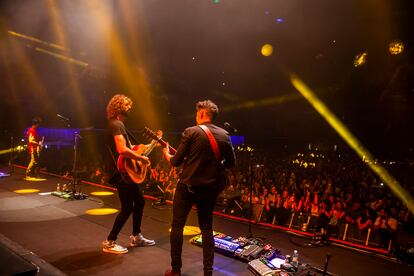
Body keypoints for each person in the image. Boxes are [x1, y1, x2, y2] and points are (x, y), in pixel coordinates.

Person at [163, 100, 236, 276]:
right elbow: (231, 163)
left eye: (197, 114)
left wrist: (166, 154)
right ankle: (208, 273)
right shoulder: (225, 135)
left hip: (187, 187)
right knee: (206, 228)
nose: (196, 117)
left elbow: (176, 162)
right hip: (209, 190)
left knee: (178, 226)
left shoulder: (191, 131)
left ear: (203, 114)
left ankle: (176, 270)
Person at [102, 94, 155, 254]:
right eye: (128, 106)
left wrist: (149, 145)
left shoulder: (118, 124)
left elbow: (130, 147)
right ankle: (110, 241)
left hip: (126, 173)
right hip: (122, 173)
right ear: (120, 107)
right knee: (127, 208)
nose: (130, 109)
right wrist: (142, 159)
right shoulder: (117, 124)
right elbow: (122, 150)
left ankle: (136, 236)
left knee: (139, 201)